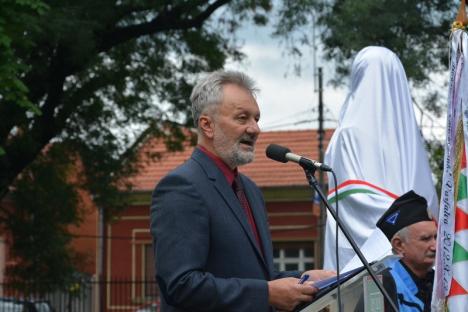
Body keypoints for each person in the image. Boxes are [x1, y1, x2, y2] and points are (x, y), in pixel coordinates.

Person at [150, 70, 334, 312]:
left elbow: (255, 275)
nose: (255, 129)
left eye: (257, 118)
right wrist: (267, 294)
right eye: (242, 118)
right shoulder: (181, 188)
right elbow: (181, 285)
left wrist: (303, 278)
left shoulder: (250, 191)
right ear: (207, 125)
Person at [376, 190, 437, 312]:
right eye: (425, 239)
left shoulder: (437, 280)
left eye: (436, 237)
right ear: (399, 245)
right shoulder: (380, 284)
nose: (435, 246)